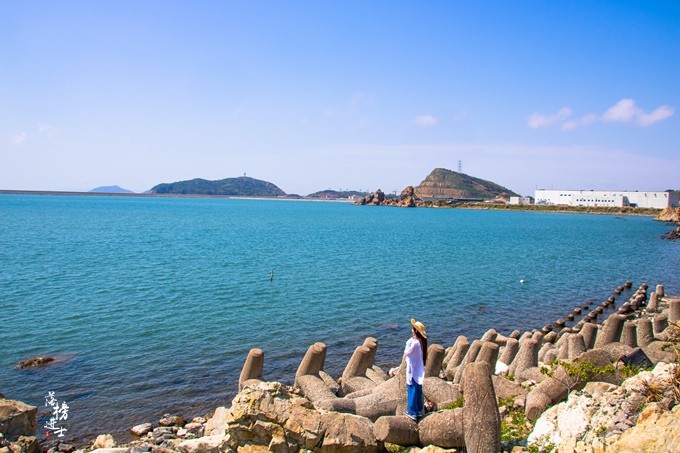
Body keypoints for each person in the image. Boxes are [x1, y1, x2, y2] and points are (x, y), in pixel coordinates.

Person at [404, 318, 428, 420]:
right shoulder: (421, 342)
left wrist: (408, 342)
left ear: (416, 331)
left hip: (413, 369)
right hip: (418, 368)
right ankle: (418, 410)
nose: (412, 330)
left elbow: (407, 352)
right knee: (418, 390)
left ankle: (412, 412)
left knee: (412, 390)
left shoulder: (414, 343)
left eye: (413, 328)